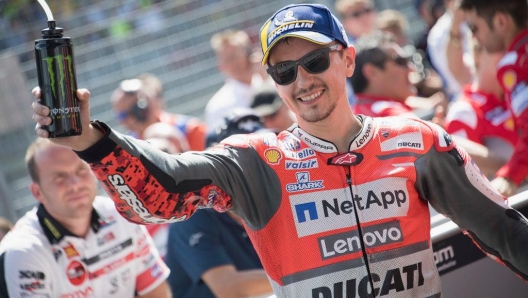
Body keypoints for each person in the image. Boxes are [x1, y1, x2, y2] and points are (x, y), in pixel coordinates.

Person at [31, 3, 528, 298]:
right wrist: (91, 144)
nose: (303, 81)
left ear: (347, 58)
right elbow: (158, 197)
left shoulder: (417, 140)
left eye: (314, 61)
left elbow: (505, 231)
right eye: (284, 72)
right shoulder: (254, 160)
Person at [0, 139, 171, 298]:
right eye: (60, 177)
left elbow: (156, 292)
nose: (75, 184)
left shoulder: (122, 214)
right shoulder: (23, 251)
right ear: (37, 192)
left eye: (81, 171)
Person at [166, 110, 273, 298]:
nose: (258, 166)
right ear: (217, 168)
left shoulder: (273, 202)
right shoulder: (193, 211)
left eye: (263, 153)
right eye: (247, 157)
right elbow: (228, 289)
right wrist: (296, 274)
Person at [458, 0, 528, 196]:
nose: (474, 36)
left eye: (474, 27)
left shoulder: (514, 64)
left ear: (500, 21)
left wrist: (509, 176)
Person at [444, 40, 518, 178]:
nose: (507, 54)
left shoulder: (517, 93)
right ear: (477, 55)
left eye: (509, 48)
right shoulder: (463, 112)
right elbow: (469, 179)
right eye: (499, 47)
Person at [350, 31, 446, 120]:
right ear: (372, 72)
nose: (412, 69)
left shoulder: (359, 114)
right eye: (401, 61)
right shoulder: (390, 113)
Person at [111, 74, 207, 151]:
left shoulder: (191, 130)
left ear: (141, 110)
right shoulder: (130, 147)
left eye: (123, 115)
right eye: (119, 116)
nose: (122, 122)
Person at [204, 30, 256, 132]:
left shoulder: (273, 82)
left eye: (236, 56)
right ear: (220, 65)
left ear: (249, 54)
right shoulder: (217, 107)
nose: (233, 63)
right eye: (227, 59)